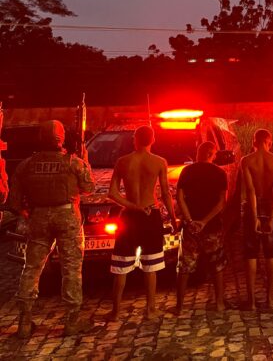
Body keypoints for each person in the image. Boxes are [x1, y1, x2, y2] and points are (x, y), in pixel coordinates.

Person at [9, 120, 95, 337]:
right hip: (67, 216)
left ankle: (24, 323)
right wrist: (85, 161)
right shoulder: (72, 163)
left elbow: (15, 202)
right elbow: (89, 188)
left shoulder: (27, 165)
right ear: (61, 138)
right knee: (71, 269)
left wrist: (30, 213)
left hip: (38, 217)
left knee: (31, 269)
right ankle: (72, 321)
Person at [108, 125, 177, 321]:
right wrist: (172, 219)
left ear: (134, 139)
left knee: (121, 266)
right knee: (151, 264)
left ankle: (115, 312)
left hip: (129, 216)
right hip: (150, 215)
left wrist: (132, 206)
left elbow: (112, 193)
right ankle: (150, 309)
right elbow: (165, 195)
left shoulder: (122, 162)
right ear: (153, 140)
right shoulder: (159, 162)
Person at [170, 141, 229, 315]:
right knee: (217, 264)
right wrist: (205, 221)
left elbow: (179, 197)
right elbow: (221, 202)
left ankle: (180, 306)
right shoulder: (220, 173)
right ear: (213, 154)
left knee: (184, 267)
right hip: (212, 227)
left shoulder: (187, 171)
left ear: (198, 153)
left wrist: (189, 220)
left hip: (191, 228)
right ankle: (219, 303)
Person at [239, 129, 273, 309]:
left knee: (251, 254)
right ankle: (270, 298)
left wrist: (255, 215)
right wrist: (271, 218)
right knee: (271, 253)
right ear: (269, 141)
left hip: (253, 207)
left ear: (254, 142)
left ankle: (251, 302)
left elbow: (250, 190)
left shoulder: (247, 161)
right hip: (270, 207)